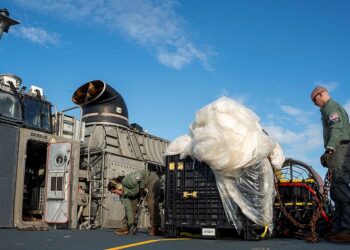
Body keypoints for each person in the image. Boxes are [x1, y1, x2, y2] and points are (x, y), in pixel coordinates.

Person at [311, 86, 350, 242]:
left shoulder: (331, 107)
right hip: (338, 150)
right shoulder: (328, 109)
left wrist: (330, 150)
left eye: (315, 100)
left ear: (321, 95)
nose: (315, 104)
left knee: (340, 187)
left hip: (340, 149)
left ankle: (347, 229)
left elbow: (337, 128)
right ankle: (338, 229)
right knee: (335, 191)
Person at [108, 169, 161, 236]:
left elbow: (142, 174)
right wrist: (131, 224)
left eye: (115, 192)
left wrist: (142, 188)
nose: (116, 194)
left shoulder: (128, 180)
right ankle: (129, 227)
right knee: (133, 206)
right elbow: (128, 209)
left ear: (119, 186)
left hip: (150, 181)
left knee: (151, 205)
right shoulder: (123, 196)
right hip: (137, 189)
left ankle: (155, 227)